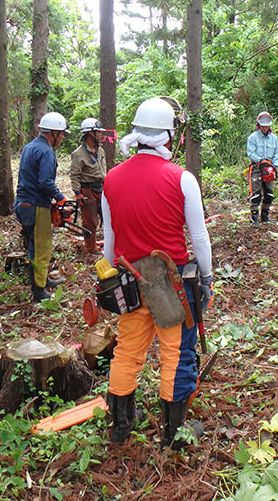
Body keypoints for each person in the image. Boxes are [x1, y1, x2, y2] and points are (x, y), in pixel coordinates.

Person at [102, 96, 213, 449]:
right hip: (171, 279)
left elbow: (109, 241)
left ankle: (120, 425)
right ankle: (173, 434)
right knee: (177, 352)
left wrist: (112, 274)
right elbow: (198, 236)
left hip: (129, 277)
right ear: (168, 136)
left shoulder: (111, 179)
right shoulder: (182, 179)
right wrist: (207, 277)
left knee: (127, 349)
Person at [14, 112, 71, 303]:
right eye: (61, 134)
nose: (62, 138)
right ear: (53, 133)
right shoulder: (46, 152)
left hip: (24, 203)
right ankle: (39, 291)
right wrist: (61, 198)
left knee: (33, 244)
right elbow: (45, 182)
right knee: (41, 248)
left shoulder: (30, 147)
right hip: (37, 205)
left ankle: (42, 279)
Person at [70, 117, 107, 254]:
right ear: (91, 133)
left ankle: (109, 245)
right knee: (90, 222)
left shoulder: (100, 151)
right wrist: (78, 193)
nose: (101, 135)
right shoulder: (78, 154)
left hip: (101, 188)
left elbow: (104, 171)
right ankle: (91, 249)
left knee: (108, 217)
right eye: (98, 132)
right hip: (87, 190)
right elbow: (74, 176)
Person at [246, 111, 278, 225]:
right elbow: (250, 153)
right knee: (256, 195)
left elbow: (276, 152)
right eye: (263, 125)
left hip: (269, 168)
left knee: (269, 194)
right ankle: (254, 219)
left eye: (267, 126)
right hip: (256, 168)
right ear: (258, 125)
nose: (265, 128)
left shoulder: (274, 138)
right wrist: (260, 160)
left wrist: (274, 165)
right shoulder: (252, 138)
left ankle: (265, 217)